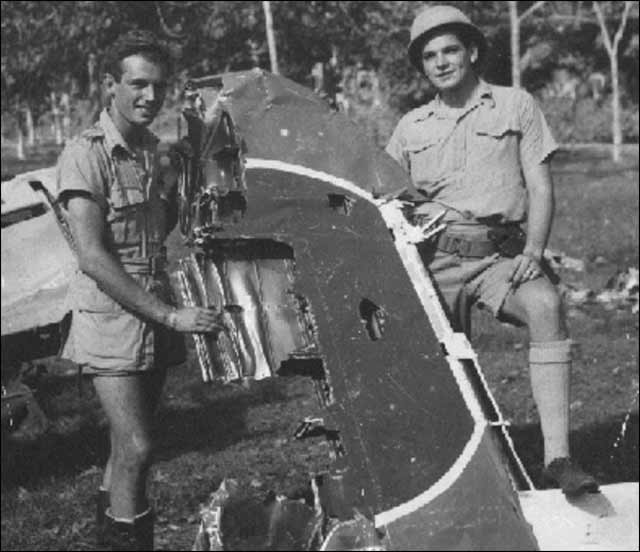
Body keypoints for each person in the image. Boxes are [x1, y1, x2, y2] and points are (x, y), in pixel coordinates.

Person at [385, 5, 598, 497]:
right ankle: (461, 469)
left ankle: (558, 458)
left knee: (546, 305)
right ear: (422, 66)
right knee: (437, 358)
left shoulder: (514, 105)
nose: (441, 62)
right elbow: (388, 198)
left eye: (450, 50)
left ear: (472, 52)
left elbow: (541, 187)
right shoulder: (410, 127)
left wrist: (536, 249)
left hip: (501, 257)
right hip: (433, 261)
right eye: (430, 56)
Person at [56, 30, 222, 550]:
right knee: (138, 444)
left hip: (151, 307)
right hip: (112, 315)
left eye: (159, 87)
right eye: (137, 85)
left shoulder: (154, 153)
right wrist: (173, 317)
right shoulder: (86, 154)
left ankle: (112, 538)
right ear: (110, 85)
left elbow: (159, 228)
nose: (150, 97)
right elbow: (92, 256)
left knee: (124, 449)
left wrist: (186, 178)